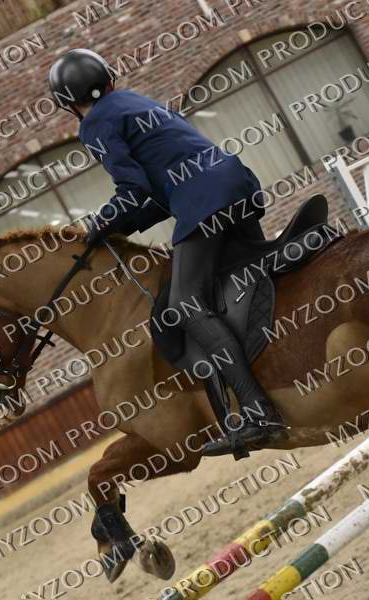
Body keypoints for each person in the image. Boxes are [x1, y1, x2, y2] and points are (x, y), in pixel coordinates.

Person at [48, 48, 286, 457]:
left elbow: (133, 190)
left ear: (68, 104)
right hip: (236, 186)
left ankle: (258, 411)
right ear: (109, 79)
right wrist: (119, 227)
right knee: (245, 279)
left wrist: (97, 225)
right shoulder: (135, 102)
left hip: (205, 203)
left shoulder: (95, 124)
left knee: (187, 305)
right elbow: (159, 191)